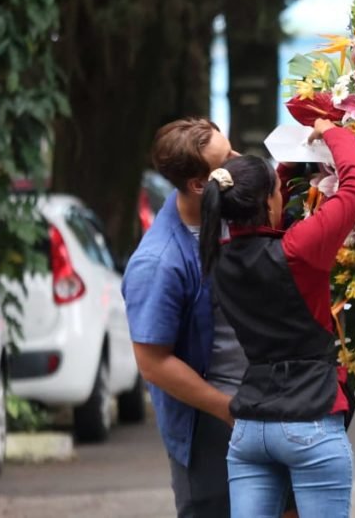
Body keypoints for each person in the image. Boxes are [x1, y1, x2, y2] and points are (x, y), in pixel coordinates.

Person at [200, 119, 355, 518]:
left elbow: (263, 207)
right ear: (268, 202)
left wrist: (290, 164)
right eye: (278, 191)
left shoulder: (217, 256)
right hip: (310, 421)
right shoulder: (298, 251)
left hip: (250, 431)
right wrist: (334, 132)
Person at [121, 117, 245, 518]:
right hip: (210, 422)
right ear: (198, 185)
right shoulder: (159, 262)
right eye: (226, 160)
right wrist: (226, 408)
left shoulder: (230, 212)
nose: (239, 161)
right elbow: (152, 362)